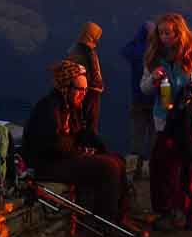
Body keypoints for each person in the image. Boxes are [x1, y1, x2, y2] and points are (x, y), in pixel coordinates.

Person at [139, 13, 192, 232]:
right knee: (164, 165)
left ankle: (191, 212)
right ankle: (167, 210)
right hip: (164, 119)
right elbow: (144, 88)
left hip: (191, 120)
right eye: (161, 32)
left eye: (168, 32)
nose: (164, 37)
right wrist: (153, 79)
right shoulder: (154, 57)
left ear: (179, 33)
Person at [24, 61, 128, 223]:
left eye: (85, 89)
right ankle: (104, 221)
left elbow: (81, 133)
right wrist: (79, 153)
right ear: (66, 87)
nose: (84, 93)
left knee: (117, 160)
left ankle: (119, 216)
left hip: (63, 159)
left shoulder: (71, 106)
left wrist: (100, 147)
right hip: (46, 165)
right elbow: (52, 144)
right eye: (79, 89)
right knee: (108, 167)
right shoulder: (49, 107)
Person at [121, 21, 155, 183]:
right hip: (156, 100)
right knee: (156, 137)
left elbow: (124, 50)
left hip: (137, 100)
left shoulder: (135, 51)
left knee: (137, 138)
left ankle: (135, 172)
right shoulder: (157, 51)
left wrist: (137, 39)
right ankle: (157, 170)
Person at [66, 22, 104, 140]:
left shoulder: (75, 48)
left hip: (78, 89)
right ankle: (89, 145)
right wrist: (98, 86)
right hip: (90, 91)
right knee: (90, 121)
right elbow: (94, 73)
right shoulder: (88, 50)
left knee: (79, 119)